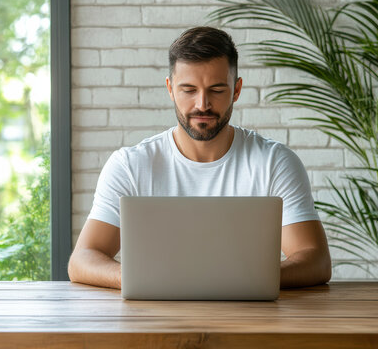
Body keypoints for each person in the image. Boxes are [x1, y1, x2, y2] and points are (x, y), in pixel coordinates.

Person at [67, 26, 331, 289]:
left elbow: (315, 259)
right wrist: (140, 279)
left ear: (236, 90)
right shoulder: (130, 165)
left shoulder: (275, 162)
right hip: (153, 320)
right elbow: (82, 259)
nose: (202, 104)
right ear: (170, 89)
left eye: (216, 90)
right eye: (189, 90)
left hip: (251, 320)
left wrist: (246, 282)